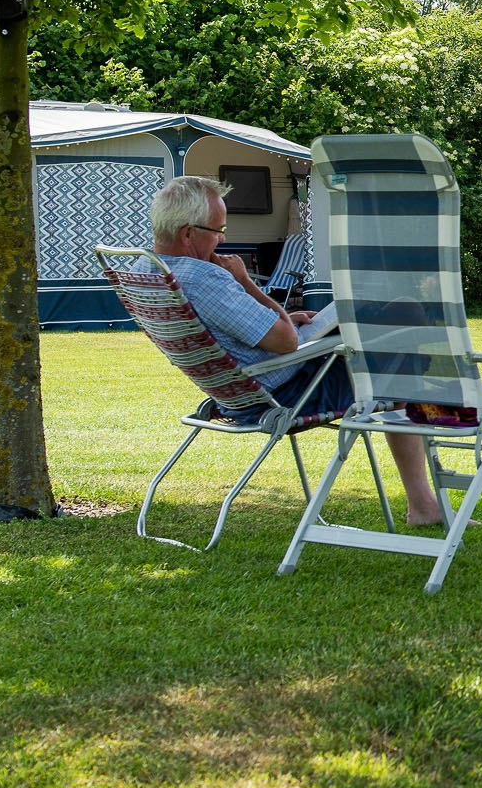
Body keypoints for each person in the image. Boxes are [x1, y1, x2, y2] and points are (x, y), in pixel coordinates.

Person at [150, 176, 446, 526]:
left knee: (394, 322)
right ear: (188, 234)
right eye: (218, 230)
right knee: (403, 350)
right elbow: (287, 343)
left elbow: (230, 331)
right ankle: (424, 502)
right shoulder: (204, 278)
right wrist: (245, 282)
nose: (223, 239)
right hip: (289, 393)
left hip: (237, 393)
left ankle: (425, 497)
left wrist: (284, 320)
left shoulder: (150, 271)